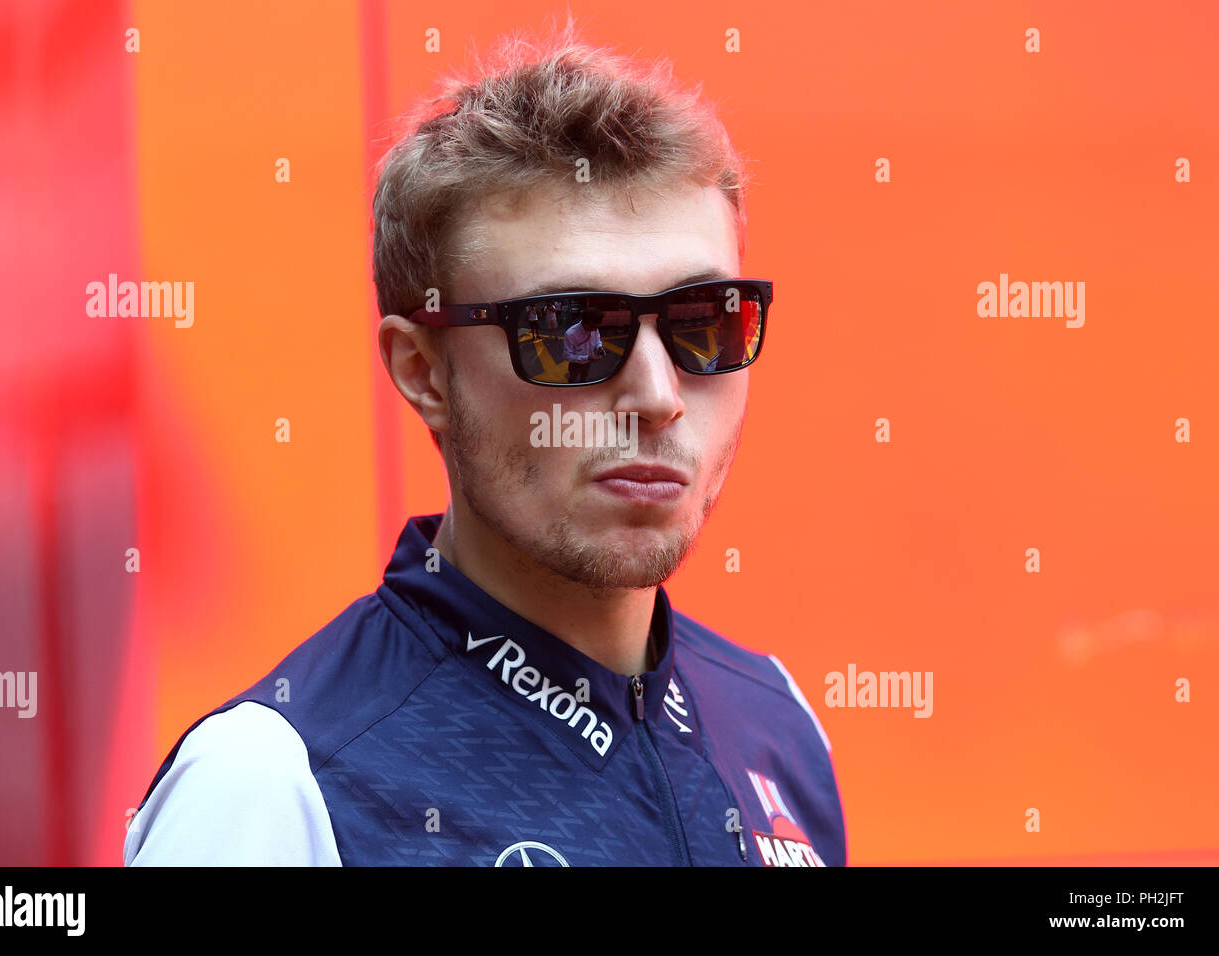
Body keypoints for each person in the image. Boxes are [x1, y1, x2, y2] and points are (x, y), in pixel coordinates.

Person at [125, 19, 844, 868]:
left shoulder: (776, 722)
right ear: (425, 371)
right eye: (570, 333)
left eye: (705, 324)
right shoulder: (273, 786)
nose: (657, 397)